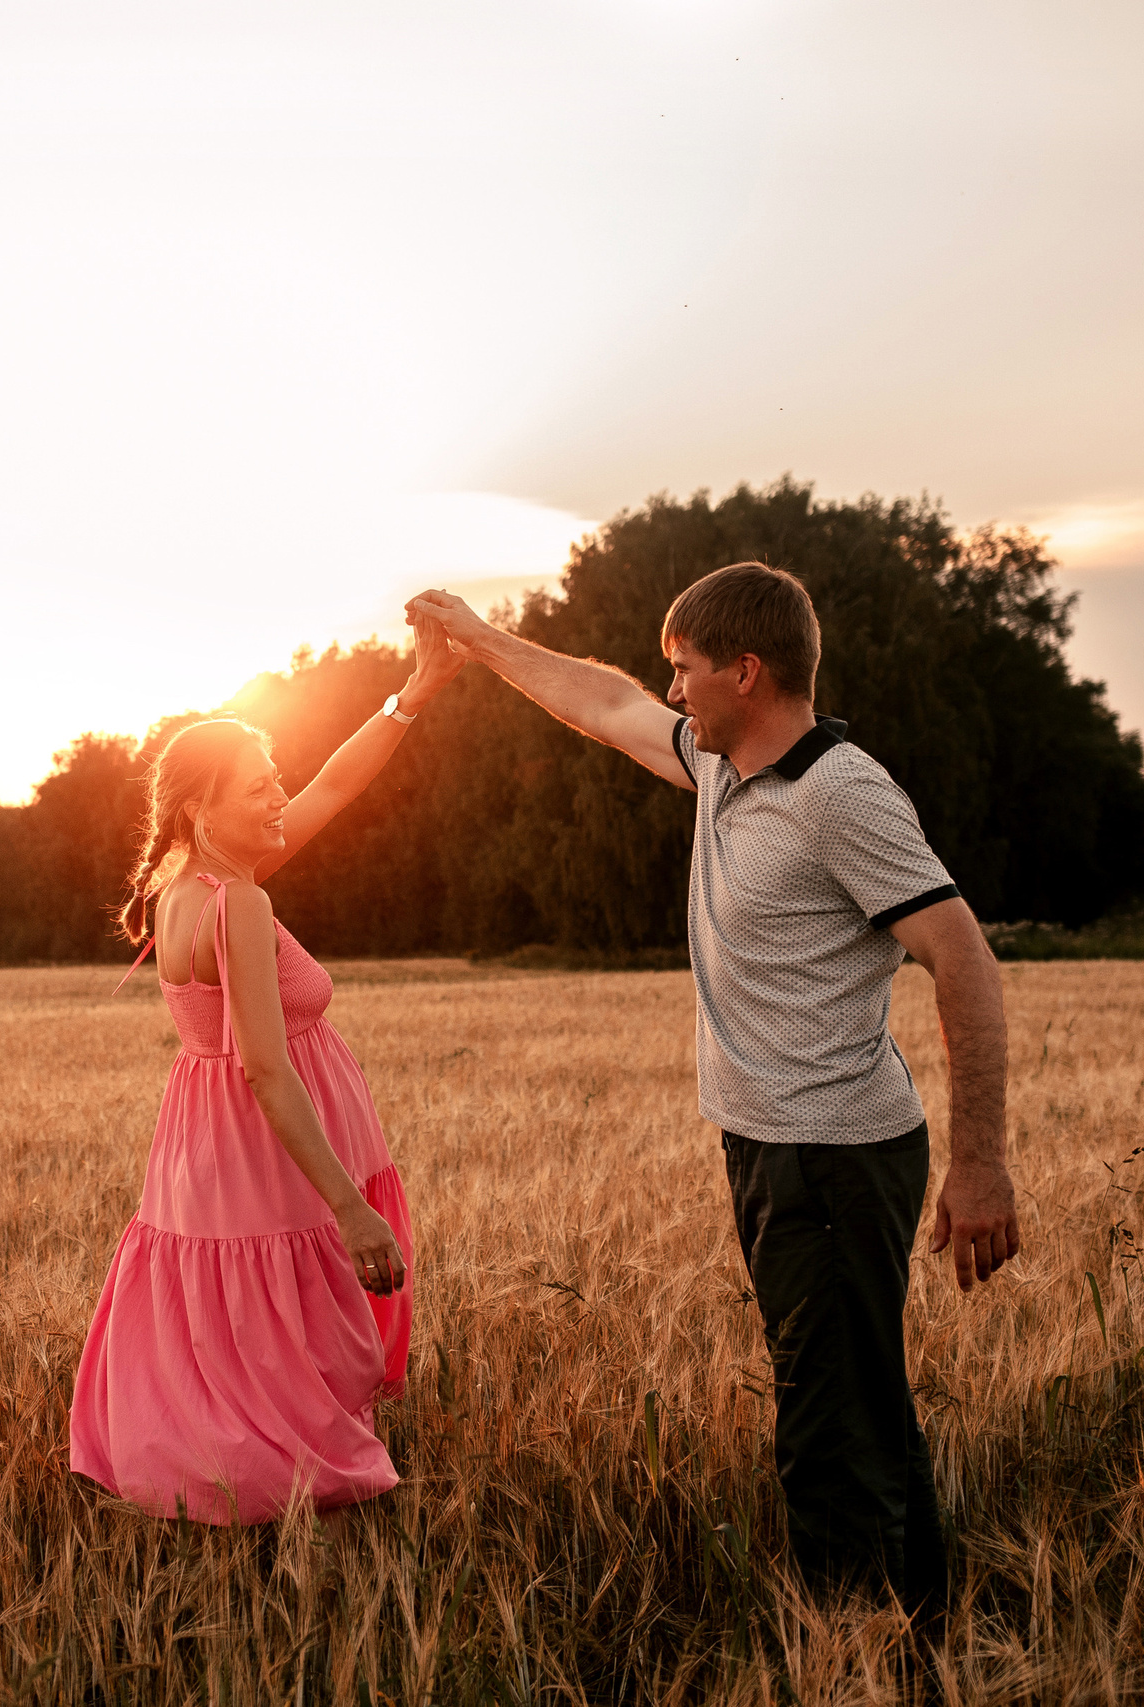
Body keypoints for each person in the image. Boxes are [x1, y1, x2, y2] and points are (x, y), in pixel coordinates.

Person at [407, 564, 1017, 1628]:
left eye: (686, 671)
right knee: (858, 1403)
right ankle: (917, 1648)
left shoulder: (840, 792)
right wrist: (477, 637)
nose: (673, 692)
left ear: (747, 670)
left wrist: (980, 1162)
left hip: (829, 1155)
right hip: (773, 1146)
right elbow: (601, 704)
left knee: (827, 1430)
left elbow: (961, 957)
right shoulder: (725, 764)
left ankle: (854, 1659)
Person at [68, 618, 466, 1525]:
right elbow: (264, 1067)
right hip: (273, 1146)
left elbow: (331, 784)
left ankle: (196, 1460)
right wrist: (349, 1204)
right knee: (292, 1315)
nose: (281, 791)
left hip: (205, 1145)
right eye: (259, 785)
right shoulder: (238, 901)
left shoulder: (183, 883)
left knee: (230, 1322)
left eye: (275, 775)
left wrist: (411, 694)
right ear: (204, 806)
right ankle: (275, 1482)